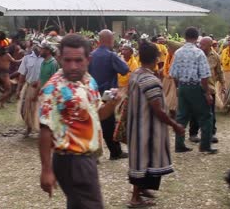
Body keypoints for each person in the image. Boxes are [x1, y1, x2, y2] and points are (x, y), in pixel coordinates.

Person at [38, 33, 120, 208]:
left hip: (87, 159)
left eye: (78, 60)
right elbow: (45, 129)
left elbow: (98, 114)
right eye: (67, 60)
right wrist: (46, 169)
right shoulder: (53, 89)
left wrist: (113, 103)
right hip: (72, 160)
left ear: (88, 59)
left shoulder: (89, 81)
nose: (72, 66)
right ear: (59, 58)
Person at [127, 41, 185, 208]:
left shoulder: (136, 74)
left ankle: (143, 190)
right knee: (143, 160)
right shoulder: (149, 79)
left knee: (142, 159)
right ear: (156, 58)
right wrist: (174, 124)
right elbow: (158, 110)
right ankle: (135, 198)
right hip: (146, 128)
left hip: (136, 126)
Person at [170, 27, 216, 154]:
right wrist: (207, 93)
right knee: (206, 116)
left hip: (183, 86)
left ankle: (179, 145)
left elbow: (174, 73)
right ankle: (205, 146)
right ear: (197, 38)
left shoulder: (178, 52)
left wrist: (178, 87)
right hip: (195, 86)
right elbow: (205, 75)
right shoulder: (198, 53)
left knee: (181, 117)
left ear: (185, 37)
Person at [89, 29, 129, 160]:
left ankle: (92, 153)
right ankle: (115, 151)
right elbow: (124, 69)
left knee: (93, 122)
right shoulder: (111, 55)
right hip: (107, 93)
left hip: (93, 92)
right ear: (110, 40)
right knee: (108, 123)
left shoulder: (91, 55)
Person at [189, 37, 226, 143]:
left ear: (210, 45)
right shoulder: (195, 55)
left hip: (210, 88)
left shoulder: (216, 57)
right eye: (200, 44)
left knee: (210, 113)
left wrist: (223, 84)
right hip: (196, 88)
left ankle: (210, 134)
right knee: (195, 112)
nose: (200, 46)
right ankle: (193, 133)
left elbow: (219, 71)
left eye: (203, 45)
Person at [16, 40, 44, 137]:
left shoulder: (46, 59)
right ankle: (28, 127)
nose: (37, 47)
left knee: (40, 109)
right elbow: (22, 74)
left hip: (42, 88)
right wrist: (18, 89)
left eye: (39, 46)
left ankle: (41, 128)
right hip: (29, 86)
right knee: (25, 109)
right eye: (35, 45)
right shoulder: (27, 58)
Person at [0, 46, 22, 110]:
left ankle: (2, 104)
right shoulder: (7, 55)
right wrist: (22, 59)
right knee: (8, 90)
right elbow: (15, 61)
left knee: (7, 89)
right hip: (5, 74)